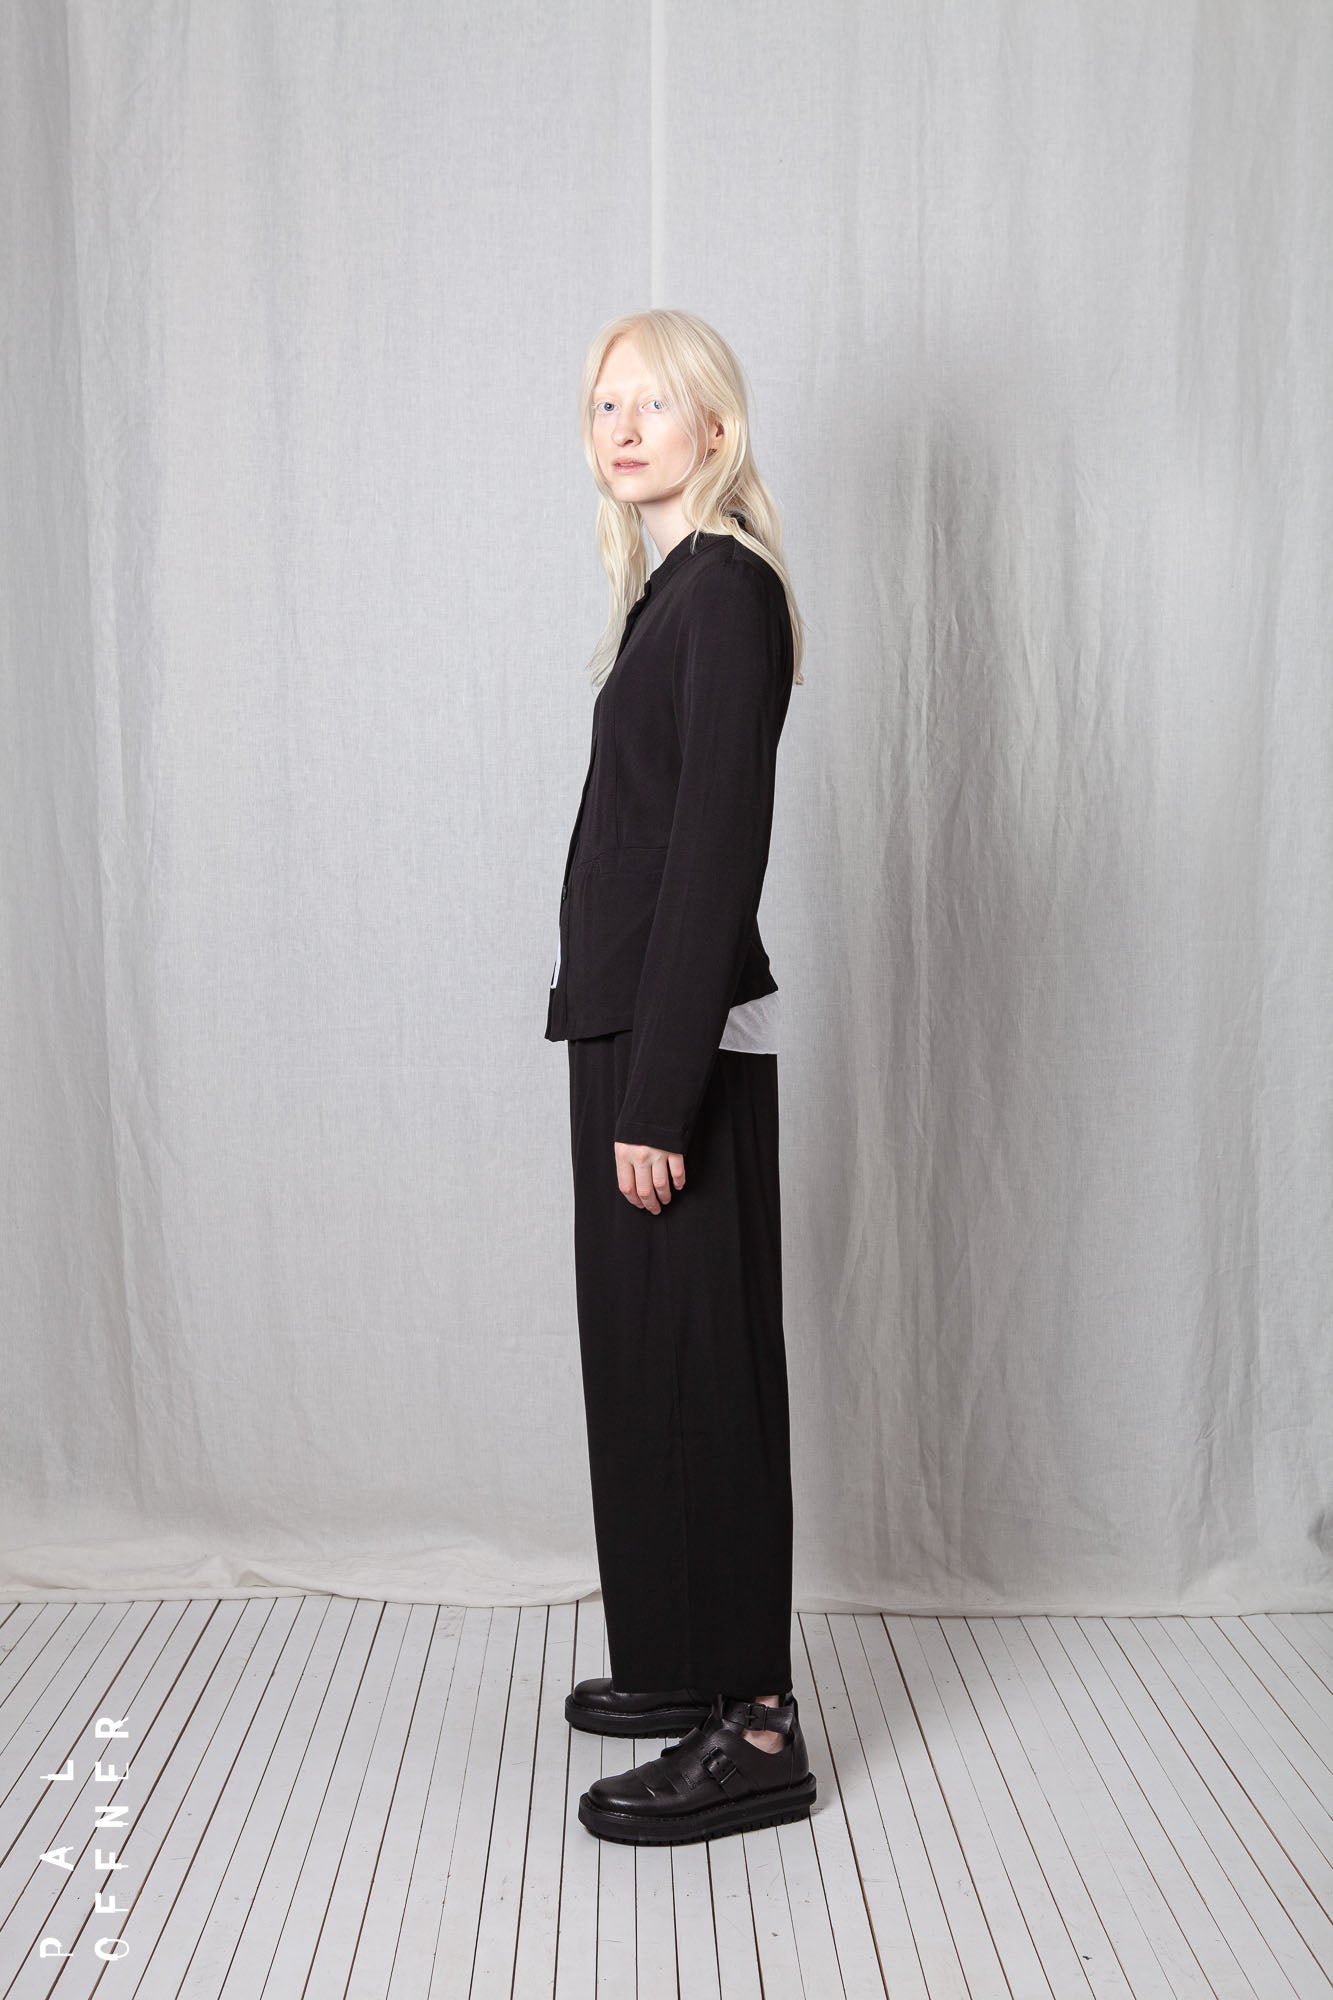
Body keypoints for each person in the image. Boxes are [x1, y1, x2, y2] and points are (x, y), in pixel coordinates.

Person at [546, 308, 813, 1845]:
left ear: (715, 428)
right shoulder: (668, 592)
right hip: (630, 1024)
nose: (626, 427)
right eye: (606, 405)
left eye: (655, 404)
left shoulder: (724, 590)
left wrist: (658, 1096)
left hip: (673, 1041)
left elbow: (714, 850)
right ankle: (682, 1659)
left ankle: (755, 1726)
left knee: (703, 1372)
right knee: (646, 1362)